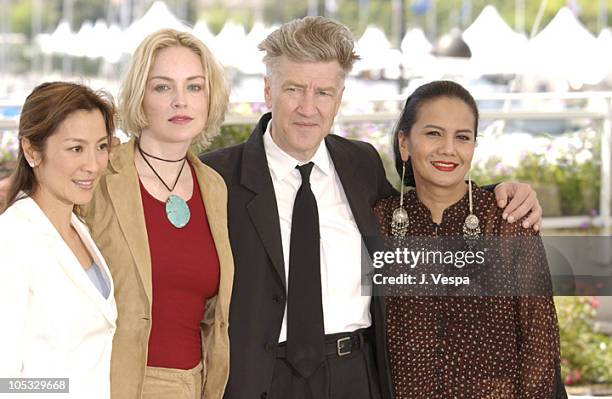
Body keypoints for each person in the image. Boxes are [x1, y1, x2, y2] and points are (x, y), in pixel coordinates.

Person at [201, 17, 543, 399]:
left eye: (324, 92)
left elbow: (420, 207)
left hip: (357, 376)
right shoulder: (217, 177)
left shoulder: (360, 163)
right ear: (268, 90)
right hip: (261, 380)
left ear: (340, 97)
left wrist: (498, 194)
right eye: (294, 89)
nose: (308, 108)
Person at [373, 80, 562, 398]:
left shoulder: (507, 221)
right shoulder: (378, 222)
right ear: (404, 143)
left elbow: (539, 341)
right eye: (434, 133)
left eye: (462, 137)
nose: (449, 149)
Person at [80, 29, 234, 399]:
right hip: (116, 384)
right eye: (163, 87)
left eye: (194, 87)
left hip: (198, 385)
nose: (181, 101)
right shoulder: (98, 174)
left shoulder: (213, 186)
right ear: (140, 96)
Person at [0, 82, 117, 398]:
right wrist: (65, 388)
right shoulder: (11, 240)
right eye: (76, 148)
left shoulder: (78, 227)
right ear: (32, 151)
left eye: (101, 146)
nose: (93, 165)